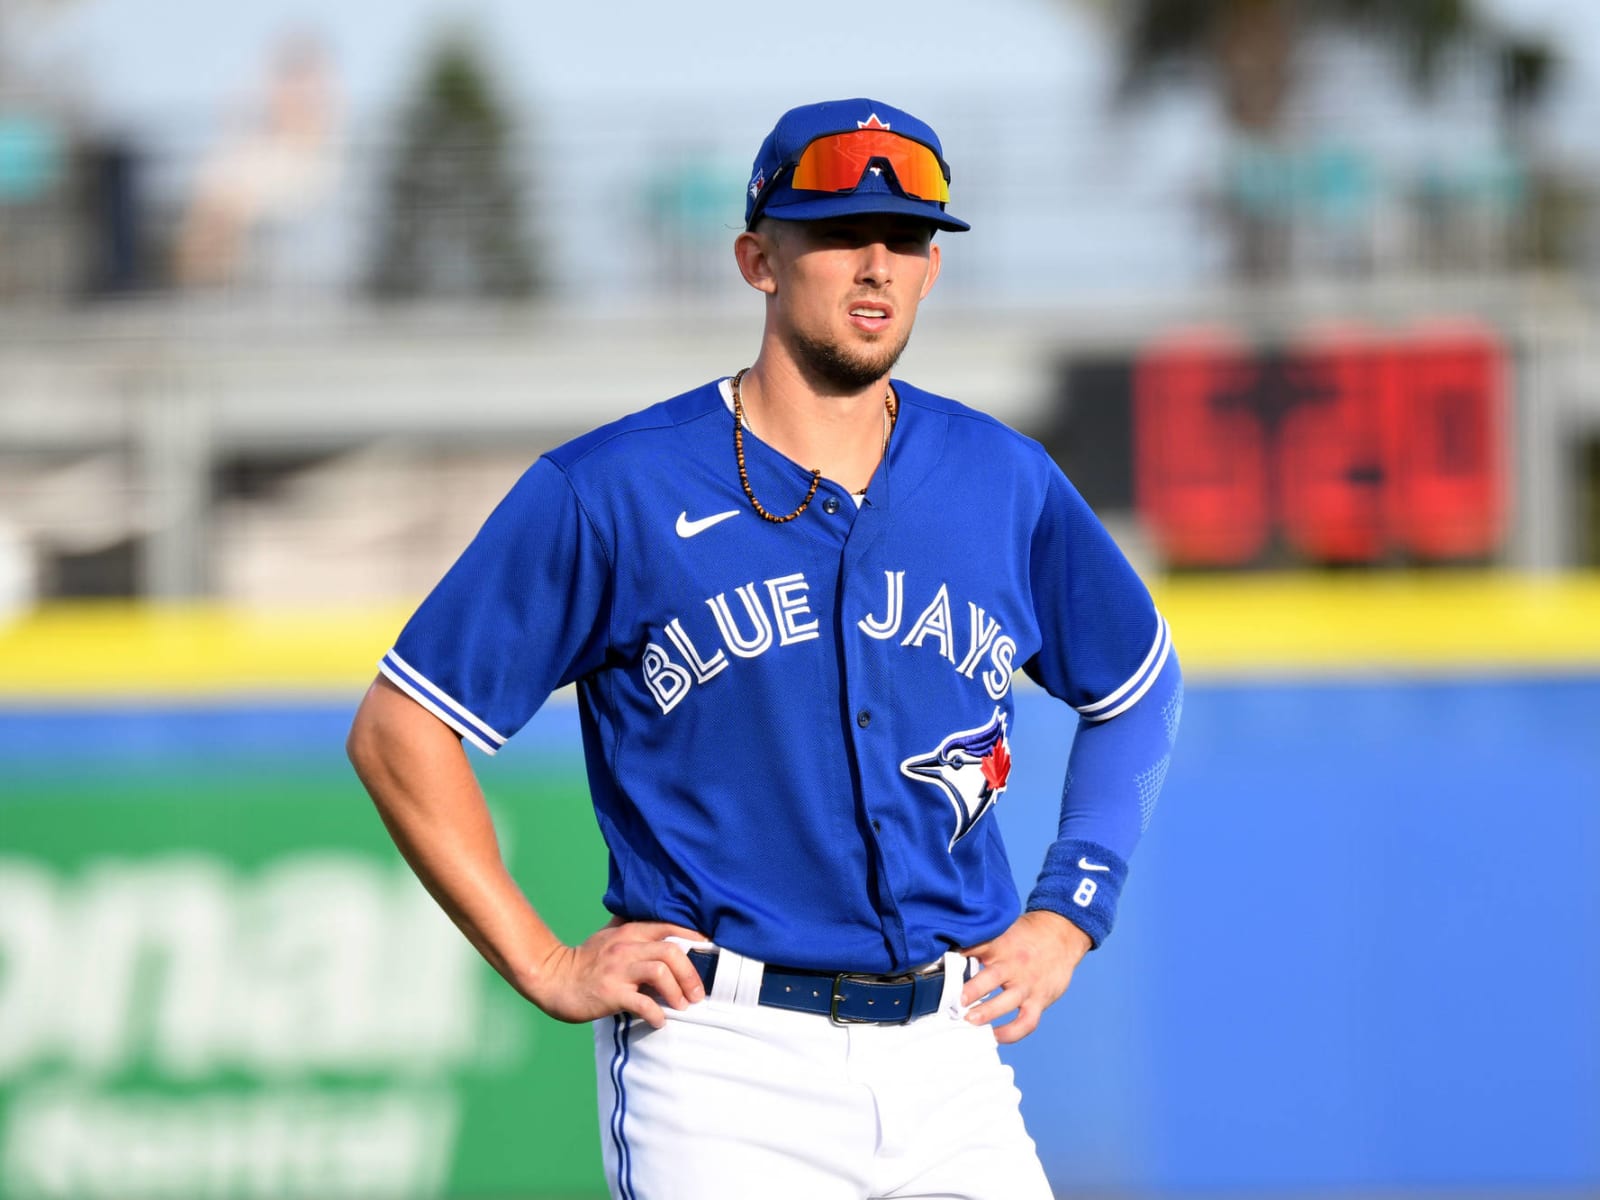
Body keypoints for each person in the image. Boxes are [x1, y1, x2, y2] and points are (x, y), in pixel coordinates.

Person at [347, 97, 1181, 1200]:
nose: (875, 264)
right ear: (759, 260)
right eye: (837, 233)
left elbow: (1136, 684)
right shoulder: (614, 490)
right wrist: (544, 964)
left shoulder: (1002, 479)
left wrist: (1072, 910)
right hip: (721, 1063)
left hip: (950, 1058)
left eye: (908, 237)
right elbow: (402, 727)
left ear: (933, 269)